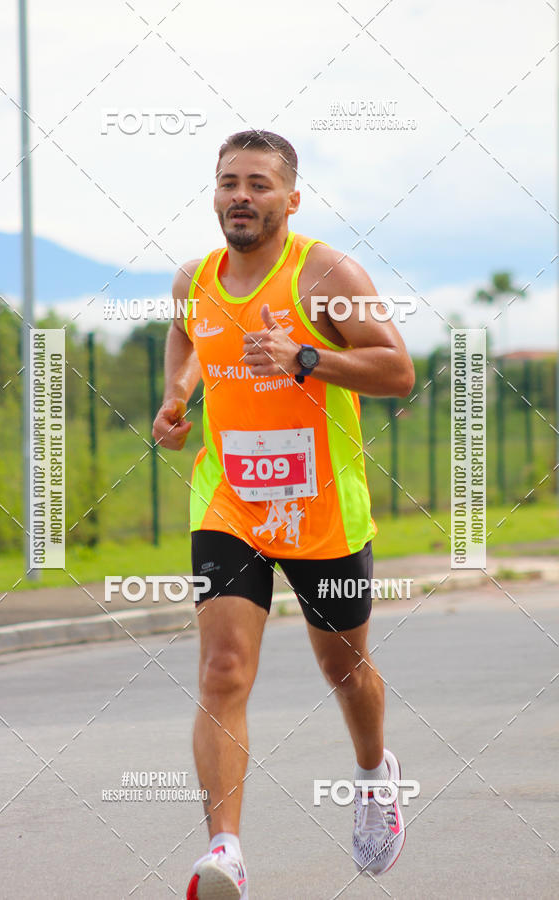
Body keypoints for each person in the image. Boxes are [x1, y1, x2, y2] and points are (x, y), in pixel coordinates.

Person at [152, 130, 415, 899]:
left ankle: (373, 775)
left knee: (345, 667)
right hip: (230, 502)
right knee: (223, 668)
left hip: (322, 510)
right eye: (229, 181)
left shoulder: (328, 274)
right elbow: (187, 335)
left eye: (260, 184)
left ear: (290, 199)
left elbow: (397, 369)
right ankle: (225, 850)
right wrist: (178, 397)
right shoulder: (192, 280)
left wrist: (305, 357)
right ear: (214, 193)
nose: (241, 195)